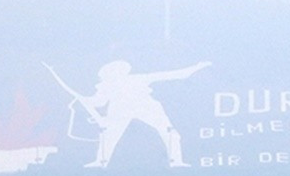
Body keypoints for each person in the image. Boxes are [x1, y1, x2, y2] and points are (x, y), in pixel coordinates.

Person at [76, 59, 211, 168]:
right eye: (114, 71)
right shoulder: (106, 85)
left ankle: (176, 162)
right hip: (120, 109)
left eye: (119, 69)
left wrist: (194, 68)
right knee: (109, 137)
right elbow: (99, 102)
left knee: (170, 133)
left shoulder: (139, 78)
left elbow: (171, 75)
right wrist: (87, 100)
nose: (118, 72)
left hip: (146, 106)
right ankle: (100, 163)